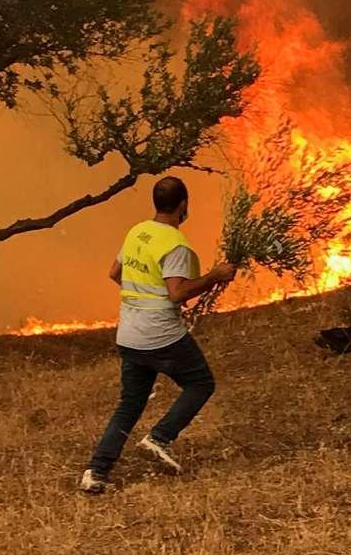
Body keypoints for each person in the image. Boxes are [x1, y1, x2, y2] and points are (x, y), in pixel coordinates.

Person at [79, 176, 236, 494]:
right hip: (160, 334)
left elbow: (115, 273)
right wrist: (215, 275)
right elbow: (177, 293)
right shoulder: (175, 244)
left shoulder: (137, 231)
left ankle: (96, 471)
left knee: (130, 403)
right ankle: (159, 438)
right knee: (201, 383)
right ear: (183, 205)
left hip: (129, 334)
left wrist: (143, 296)